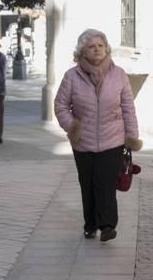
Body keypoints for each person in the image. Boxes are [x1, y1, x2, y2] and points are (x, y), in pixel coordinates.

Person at [54, 28, 141, 243]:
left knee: (105, 183)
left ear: (107, 48)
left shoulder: (119, 74)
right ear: (82, 51)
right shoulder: (71, 76)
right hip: (83, 142)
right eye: (92, 47)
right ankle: (90, 225)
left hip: (113, 139)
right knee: (88, 184)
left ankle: (108, 225)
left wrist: (131, 136)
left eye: (101, 46)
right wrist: (72, 126)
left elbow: (128, 107)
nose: (97, 50)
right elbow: (60, 106)